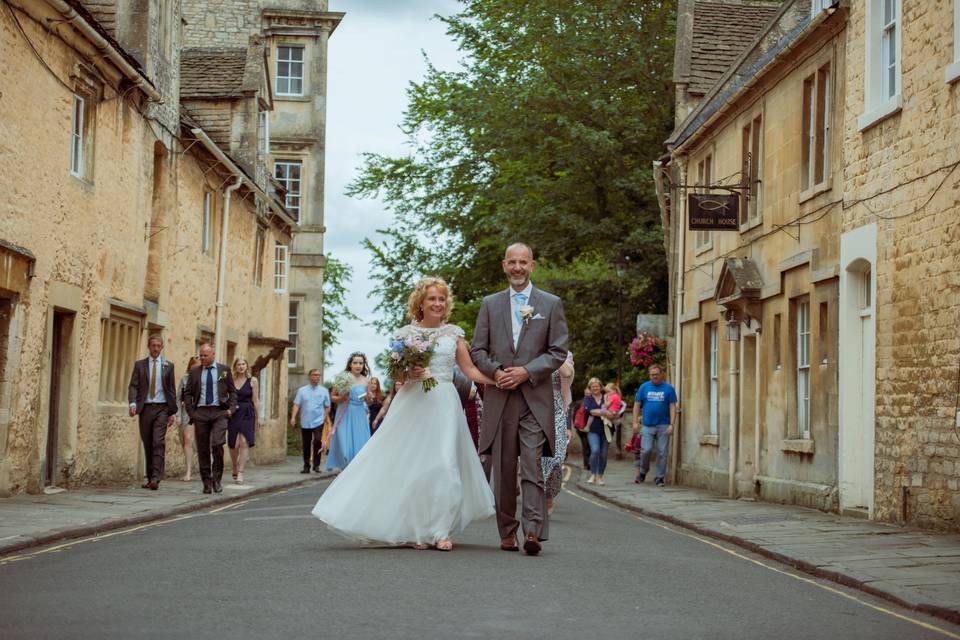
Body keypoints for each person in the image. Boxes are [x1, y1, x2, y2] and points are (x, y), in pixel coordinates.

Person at [312, 277, 496, 552]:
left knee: (444, 465)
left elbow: (469, 370)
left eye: (441, 299)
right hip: (412, 403)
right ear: (420, 302)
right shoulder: (403, 335)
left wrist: (500, 380)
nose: (437, 303)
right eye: (432, 298)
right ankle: (418, 531)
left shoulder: (454, 334)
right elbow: (396, 375)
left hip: (443, 404)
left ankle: (441, 529)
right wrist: (410, 372)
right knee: (414, 467)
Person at [470, 242, 569, 556]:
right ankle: (507, 531)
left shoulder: (550, 304)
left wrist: (526, 371)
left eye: (522, 262)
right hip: (501, 397)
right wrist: (497, 372)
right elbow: (478, 351)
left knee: (532, 465)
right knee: (503, 467)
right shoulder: (490, 304)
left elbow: (557, 351)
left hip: (534, 398)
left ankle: (533, 532)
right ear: (504, 265)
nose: (517, 267)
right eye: (512, 262)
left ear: (532, 265)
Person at [182, 342, 237, 494]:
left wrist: (231, 410)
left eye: (206, 355)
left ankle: (217, 480)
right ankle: (206, 482)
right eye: (201, 355)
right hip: (201, 412)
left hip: (220, 412)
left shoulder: (224, 370)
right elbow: (187, 393)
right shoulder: (194, 371)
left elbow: (232, 391)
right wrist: (192, 412)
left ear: (213, 355)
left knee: (218, 444)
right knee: (203, 448)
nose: (203, 358)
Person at [127, 335, 177, 490]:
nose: (155, 349)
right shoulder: (140, 365)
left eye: (158, 346)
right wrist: (133, 403)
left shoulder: (169, 366)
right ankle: (150, 477)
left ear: (162, 347)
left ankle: (156, 476)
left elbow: (171, 390)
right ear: (149, 346)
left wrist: (172, 412)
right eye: (153, 345)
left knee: (158, 442)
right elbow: (133, 386)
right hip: (146, 408)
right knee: (148, 443)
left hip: (162, 408)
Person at [324, 353, 372, 471]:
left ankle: (355, 470)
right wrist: (341, 399)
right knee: (345, 446)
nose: (358, 365)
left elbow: (369, 402)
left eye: (361, 363)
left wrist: (369, 398)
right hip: (344, 413)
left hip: (359, 414)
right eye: (355, 362)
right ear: (350, 364)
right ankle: (345, 467)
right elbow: (332, 397)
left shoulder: (366, 381)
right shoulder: (342, 378)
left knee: (359, 446)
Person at [632, 364, 678, 487]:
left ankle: (659, 477)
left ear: (661, 374)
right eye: (652, 375)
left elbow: (673, 406)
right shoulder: (644, 387)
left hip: (663, 425)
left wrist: (672, 424)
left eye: (657, 374)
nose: (654, 377)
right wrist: (635, 422)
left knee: (662, 452)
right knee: (646, 450)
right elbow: (637, 404)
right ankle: (643, 471)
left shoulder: (669, 388)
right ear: (649, 375)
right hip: (647, 425)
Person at [542, 351, 574, 515]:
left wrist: (552, 352)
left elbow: (567, 372)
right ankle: (537, 498)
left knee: (557, 457)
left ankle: (548, 494)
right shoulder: (533, 350)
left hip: (557, 409)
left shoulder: (564, 354)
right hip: (536, 407)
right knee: (536, 457)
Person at [290, 369, 330, 473]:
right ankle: (306, 466)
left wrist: (324, 416)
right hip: (305, 421)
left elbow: (327, 406)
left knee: (317, 440)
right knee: (306, 444)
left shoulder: (324, 391)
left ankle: (316, 465)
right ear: (310, 376)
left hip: (318, 421)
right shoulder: (302, 390)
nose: (317, 377)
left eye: (318, 375)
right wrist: (293, 417)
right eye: (315, 375)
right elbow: (296, 404)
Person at [228, 357, 259, 484]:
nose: (241, 366)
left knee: (244, 442)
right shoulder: (231, 380)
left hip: (247, 413)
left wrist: (259, 417)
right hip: (234, 414)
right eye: (238, 364)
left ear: (247, 366)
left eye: (243, 364)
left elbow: (255, 400)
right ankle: (234, 465)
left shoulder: (253, 381)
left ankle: (241, 472)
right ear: (235, 366)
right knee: (233, 444)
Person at [583, 377, 614, 485]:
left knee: (604, 454)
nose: (595, 388)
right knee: (595, 450)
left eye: (597, 386)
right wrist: (605, 412)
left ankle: (600, 476)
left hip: (606, 430)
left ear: (601, 387)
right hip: (593, 430)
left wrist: (601, 412)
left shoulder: (606, 397)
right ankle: (593, 474)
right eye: (592, 386)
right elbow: (591, 411)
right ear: (590, 388)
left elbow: (613, 411)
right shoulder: (588, 399)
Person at [176, 355, 200, 481]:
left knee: (203, 442)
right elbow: (178, 398)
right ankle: (188, 471)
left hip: (203, 413)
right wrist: (178, 414)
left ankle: (206, 467)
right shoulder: (184, 379)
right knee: (187, 440)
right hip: (187, 413)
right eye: (193, 367)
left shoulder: (207, 379)